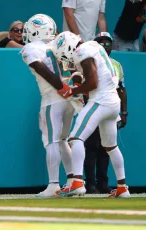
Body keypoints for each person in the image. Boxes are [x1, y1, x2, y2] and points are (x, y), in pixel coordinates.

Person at [52, 32, 131, 198]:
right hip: (112, 103)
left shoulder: (83, 51)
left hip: (100, 101)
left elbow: (93, 82)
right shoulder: (93, 47)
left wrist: (73, 90)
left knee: (75, 138)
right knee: (110, 146)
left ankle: (77, 182)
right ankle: (123, 187)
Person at [20, 14, 75, 198]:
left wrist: (61, 88)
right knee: (63, 140)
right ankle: (73, 182)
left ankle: (53, 185)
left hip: (53, 96)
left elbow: (39, 67)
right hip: (70, 98)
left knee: (51, 139)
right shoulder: (59, 42)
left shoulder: (32, 48)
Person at [83, 32, 128, 194]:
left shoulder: (116, 64)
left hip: (111, 108)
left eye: (108, 44)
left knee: (106, 148)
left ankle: (103, 183)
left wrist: (124, 112)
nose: (105, 47)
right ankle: (89, 184)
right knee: (91, 147)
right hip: (94, 106)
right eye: (101, 43)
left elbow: (122, 89)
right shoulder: (88, 62)